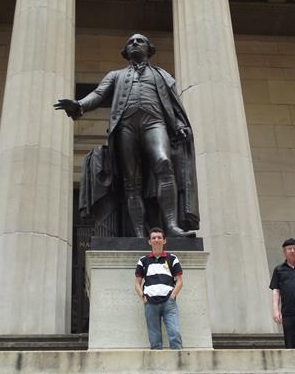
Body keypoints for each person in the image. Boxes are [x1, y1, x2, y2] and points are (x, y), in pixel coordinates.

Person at [54, 34, 199, 238]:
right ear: (125, 51)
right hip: (125, 127)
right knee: (132, 181)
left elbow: (174, 104)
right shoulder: (116, 75)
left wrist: (180, 125)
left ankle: (172, 226)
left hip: (154, 123)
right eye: (130, 42)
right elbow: (98, 94)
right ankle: (139, 234)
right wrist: (79, 105)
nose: (134, 44)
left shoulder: (162, 75)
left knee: (164, 162)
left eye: (140, 41)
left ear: (150, 49)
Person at [134, 227, 183, 349]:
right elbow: (137, 283)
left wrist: (172, 296)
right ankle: (158, 367)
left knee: (175, 334)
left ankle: (179, 366)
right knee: (155, 340)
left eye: (159, 237)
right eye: (154, 238)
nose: (157, 240)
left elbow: (180, 281)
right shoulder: (143, 261)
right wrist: (144, 297)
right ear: (149, 241)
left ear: (164, 240)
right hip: (150, 303)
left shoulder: (172, 259)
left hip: (169, 303)